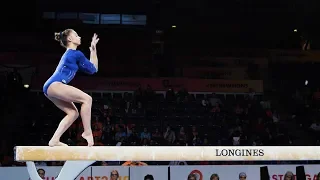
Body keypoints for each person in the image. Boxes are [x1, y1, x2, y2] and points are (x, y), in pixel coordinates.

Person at [43, 29, 99, 147]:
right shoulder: (75, 54)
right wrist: (93, 50)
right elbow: (94, 69)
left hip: (49, 88)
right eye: (76, 35)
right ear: (70, 39)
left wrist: (93, 50)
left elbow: (93, 70)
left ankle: (54, 140)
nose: (79, 37)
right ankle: (88, 132)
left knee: (73, 113)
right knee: (87, 99)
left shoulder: (71, 55)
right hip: (55, 84)